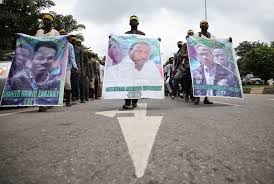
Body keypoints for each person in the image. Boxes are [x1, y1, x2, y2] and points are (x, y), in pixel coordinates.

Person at [35, 13, 60, 112]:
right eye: (44, 20)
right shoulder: (39, 32)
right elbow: (33, 43)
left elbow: (59, 46)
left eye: (47, 20)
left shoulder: (55, 33)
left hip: (51, 61)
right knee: (41, 82)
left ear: (51, 22)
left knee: (49, 82)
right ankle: (42, 103)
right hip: (40, 60)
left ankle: (47, 101)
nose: (45, 21)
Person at [123, 15, 145, 109]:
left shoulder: (142, 35)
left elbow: (147, 45)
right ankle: (127, 102)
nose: (134, 22)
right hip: (128, 62)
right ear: (129, 23)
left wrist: (156, 41)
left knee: (137, 82)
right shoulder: (125, 34)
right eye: (132, 21)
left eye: (135, 21)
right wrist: (112, 39)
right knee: (127, 82)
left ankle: (135, 101)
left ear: (138, 23)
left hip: (139, 62)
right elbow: (122, 46)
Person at [192, 20, 215, 105]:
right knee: (198, 79)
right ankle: (197, 97)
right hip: (199, 60)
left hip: (209, 60)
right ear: (200, 26)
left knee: (207, 79)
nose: (205, 24)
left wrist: (228, 40)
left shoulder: (212, 36)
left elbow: (217, 44)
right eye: (203, 23)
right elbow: (192, 45)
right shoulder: (196, 36)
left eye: (206, 23)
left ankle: (206, 98)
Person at [59, 29, 78, 106]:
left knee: (67, 83)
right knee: (57, 83)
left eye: (63, 34)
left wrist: (75, 66)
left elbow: (72, 57)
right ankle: (54, 102)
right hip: (56, 66)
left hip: (67, 67)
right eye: (61, 34)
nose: (62, 35)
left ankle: (68, 101)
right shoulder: (56, 43)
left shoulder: (70, 46)